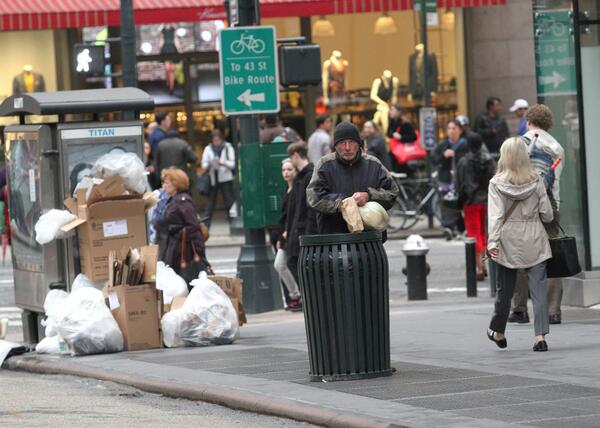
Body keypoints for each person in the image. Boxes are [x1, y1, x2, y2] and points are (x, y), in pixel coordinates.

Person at [486, 137, 554, 352]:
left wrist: (492, 242)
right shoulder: (537, 180)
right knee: (539, 291)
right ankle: (539, 337)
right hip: (535, 238)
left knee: (504, 291)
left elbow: (496, 217)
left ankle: (498, 330)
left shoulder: (496, 183)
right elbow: (548, 215)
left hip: (508, 241)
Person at [508, 104, 565, 325]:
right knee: (552, 254)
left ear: (529, 121)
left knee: (519, 254)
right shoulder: (557, 147)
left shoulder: (518, 144)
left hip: (521, 207)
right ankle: (553, 311)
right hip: (550, 205)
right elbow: (555, 180)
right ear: (548, 123)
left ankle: (520, 309)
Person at [307, 121, 399, 234]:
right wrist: (343, 203)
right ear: (335, 145)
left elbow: (392, 192)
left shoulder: (373, 164)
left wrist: (369, 196)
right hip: (335, 239)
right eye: (342, 143)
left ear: (359, 144)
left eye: (351, 142)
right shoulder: (324, 165)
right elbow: (313, 197)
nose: (347, 147)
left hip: (369, 239)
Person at [456, 132, 496, 280]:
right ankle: (484, 264)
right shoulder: (489, 160)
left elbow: (461, 185)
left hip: (471, 202)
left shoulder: (464, 162)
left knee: (473, 233)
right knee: (484, 232)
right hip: (487, 201)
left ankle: (479, 267)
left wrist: (460, 203)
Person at [161, 167, 208, 285]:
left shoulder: (182, 201)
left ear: (175, 184)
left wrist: (178, 234)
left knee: (186, 278)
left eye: (166, 183)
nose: (163, 186)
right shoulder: (175, 199)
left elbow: (192, 225)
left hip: (185, 250)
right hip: (178, 246)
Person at [284, 142, 316, 292]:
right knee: (292, 261)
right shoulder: (300, 177)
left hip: (304, 229)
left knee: (296, 262)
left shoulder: (309, 175)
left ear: (296, 155)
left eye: (291, 157)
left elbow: (309, 207)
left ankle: (309, 294)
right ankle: (308, 294)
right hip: (298, 228)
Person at [431, 119, 469, 239]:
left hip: (460, 179)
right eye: (449, 128)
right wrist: (443, 155)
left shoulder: (464, 144)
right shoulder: (442, 144)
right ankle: (448, 227)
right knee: (447, 203)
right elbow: (434, 160)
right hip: (446, 179)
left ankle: (460, 227)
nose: (451, 131)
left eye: (454, 128)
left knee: (458, 204)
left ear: (460, 130)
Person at [273, 158, 302, 311]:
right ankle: (295, 294)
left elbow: (295, 215)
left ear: (295, 171)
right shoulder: (286, 190)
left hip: (293, 234)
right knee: (279, 264)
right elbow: (284, 217)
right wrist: (280, 236)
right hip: (285, 235)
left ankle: (298, 296)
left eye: (289, 169)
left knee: (289, 264)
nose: (286, 173)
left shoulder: (297, 190)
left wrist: (287, 232)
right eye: (284, 170)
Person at [201, 130, 236, 228]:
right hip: (213, 178)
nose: (216, 142)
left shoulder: (228, 147)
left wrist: (222, 162)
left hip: (225, 178)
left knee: (229, 201)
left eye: (218, 140)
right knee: (210, 203)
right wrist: (209, 164)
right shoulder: (208, 148)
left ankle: (233, 222)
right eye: (214, 140)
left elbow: (233, 164)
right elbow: (203, 164)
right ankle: (206, 226)